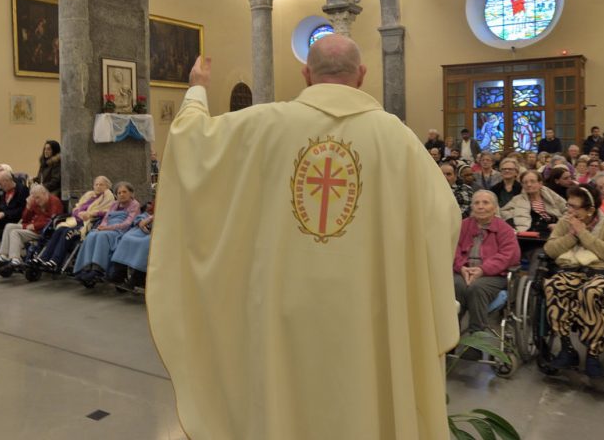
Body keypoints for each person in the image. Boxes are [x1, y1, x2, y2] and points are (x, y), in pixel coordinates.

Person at [147, 35, 461, 440]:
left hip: (280, 308)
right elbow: (444, 217)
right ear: (362, 75)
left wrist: (197, 88)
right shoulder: (395, 138)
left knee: (282, 401)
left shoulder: (264, 124)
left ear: (306, 74)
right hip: (370, 310)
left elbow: (192, 144)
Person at [542, 185, 604, 378]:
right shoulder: (565, 222)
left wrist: (583, 234)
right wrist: (572, 234)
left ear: (590, 210)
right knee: (554, 285)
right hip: (573, 271)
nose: (569, 211)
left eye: (574, 207)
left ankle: (593, 354)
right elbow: (550, 249)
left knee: (589, 291)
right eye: (568, 205)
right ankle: (566, 348)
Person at [453, 190, 520, 338]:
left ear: (495, 207)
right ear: (472, 207)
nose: (480, 207)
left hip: (493, 275)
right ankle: (451, 336)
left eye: (485, 203)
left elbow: (509, 256)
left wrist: (483, 270)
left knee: (477, 288)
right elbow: (452, 249)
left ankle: (477, 337)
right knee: (456, 285)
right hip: (463, 271)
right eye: (476, 203)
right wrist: (461, 267)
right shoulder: (463, 226)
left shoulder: (505, 229)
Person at [34, 175, 115, 270]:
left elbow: (107, 211)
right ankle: (43, 258)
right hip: (76, 221)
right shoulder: (89, 195)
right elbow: (77, 207)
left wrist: (90, 214)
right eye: (96, 184)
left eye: (101, 185)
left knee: (67, 232)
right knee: (59, 229)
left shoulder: (109, 197)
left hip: (88, 225)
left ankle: (55, 261)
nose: (98, 186)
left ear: (107, 186)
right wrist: (78, 213)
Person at [73, 181, 140, 279]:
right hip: (108, 228)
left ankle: (98, 268)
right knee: (92, 234)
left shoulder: (135, 204)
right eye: (119, 193)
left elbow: (127, 223)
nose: (122, 194)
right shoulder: (114, 204)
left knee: (102, 235)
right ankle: (86, 267)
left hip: (121, 231)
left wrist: (107, 228)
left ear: (131, 193)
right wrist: (101, 227)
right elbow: (106, 219)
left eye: (124, 192)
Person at [0, 183, 63, 267]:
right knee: (9, 226)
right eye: (34, 198)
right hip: (32, 226)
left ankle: (15, 259)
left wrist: (35, 226)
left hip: (43, 231)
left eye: (38, 197)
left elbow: (52, 220)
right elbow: (25, 219)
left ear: (45, 194)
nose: (36, 200)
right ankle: (3, 255)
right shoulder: (36, 202)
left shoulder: (54, 201)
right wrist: (28, 207)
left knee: (15, 232)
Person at [108, 200, 155, 290]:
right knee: (126, 238)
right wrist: (142, 221)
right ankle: (119, 273)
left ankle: (137, 278)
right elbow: (144, 216)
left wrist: (150, 219)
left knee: (146, 242)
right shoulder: (154, 205)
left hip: (159, 232)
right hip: (146, 230)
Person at [501, 169, 567, 233]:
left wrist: (560, 225)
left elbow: (568, 210)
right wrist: (512, 222)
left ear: (540, 183)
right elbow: (503, 212)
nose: (529, 185)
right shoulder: (517, 199)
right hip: (530, 233)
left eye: (532, 181)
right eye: (525, 182)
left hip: (554, 231)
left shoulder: (552, 196)